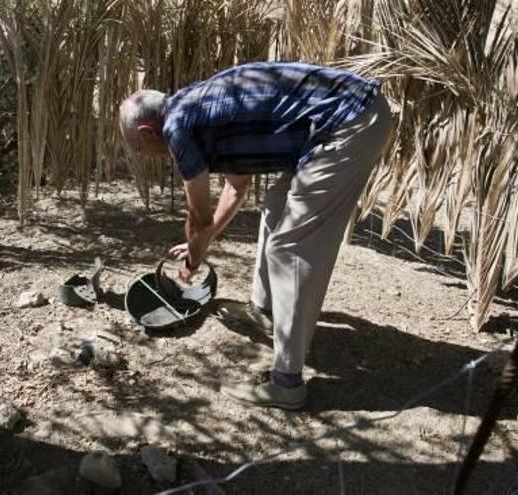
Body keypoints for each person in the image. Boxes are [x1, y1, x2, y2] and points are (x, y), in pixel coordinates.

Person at [118, 61, 392, 409]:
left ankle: (287, 383)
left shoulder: (177, 125)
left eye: (140, 149)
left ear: (148, 130)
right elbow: (236, 188)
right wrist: (201, 241)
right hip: (336, 119)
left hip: (347, 119)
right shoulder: (200, 111)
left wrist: (193, 258)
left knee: (289, 246)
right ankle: (263, 311)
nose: (147, 158)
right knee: (275, 206)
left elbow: (198, 216)